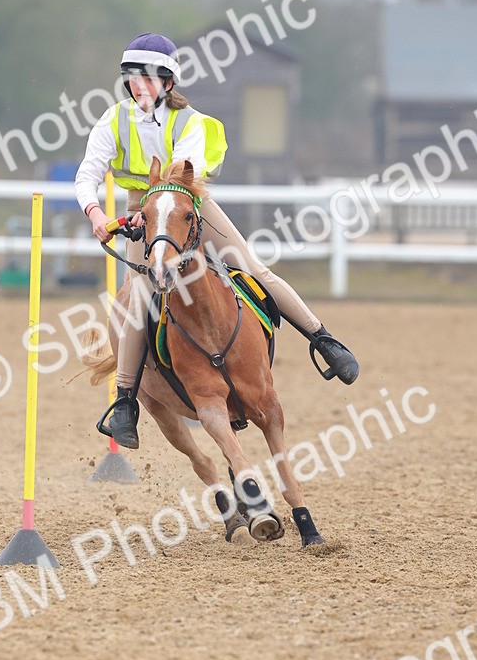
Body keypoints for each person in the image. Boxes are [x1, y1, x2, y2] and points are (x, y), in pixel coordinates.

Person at [74, 33, 359, 450]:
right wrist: (96, 214)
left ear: (167, 82)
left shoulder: (191, 122)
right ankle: (125, 401)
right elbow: (87, 174)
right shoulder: (112, 120)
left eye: (148, 78)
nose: (139, 86)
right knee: (139, 295)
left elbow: (180, 171)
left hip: (189, 201)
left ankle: (323, 340)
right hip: (144, 210)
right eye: (133, 78)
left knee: (253, 269)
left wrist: (157, 203)